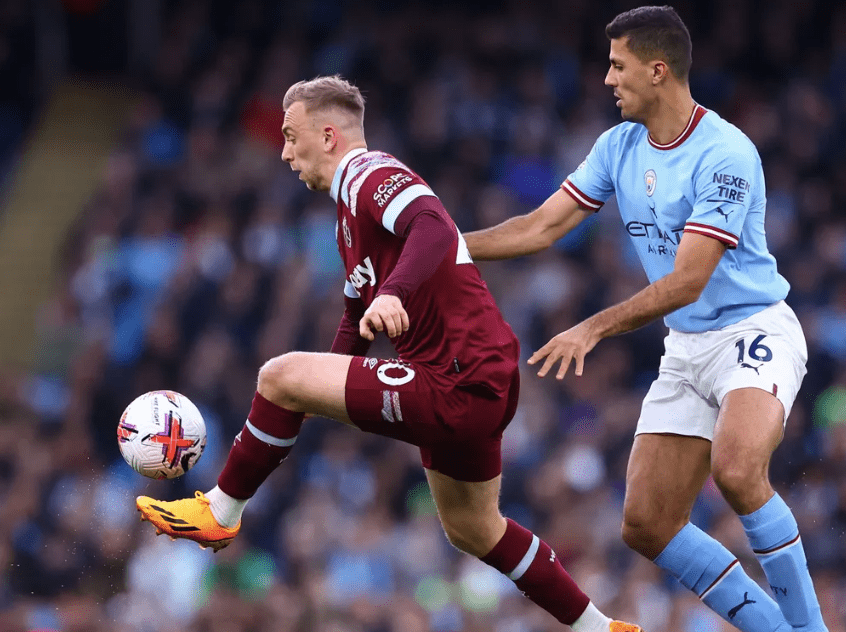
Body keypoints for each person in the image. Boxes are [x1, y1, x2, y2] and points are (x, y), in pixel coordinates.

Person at [137, 75, 642, 632]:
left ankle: (220, 511)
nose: (282, 151)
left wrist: (392, 296)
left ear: (328, 135)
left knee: (276, 374)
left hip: (455, 373)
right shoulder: (348, 220)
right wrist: (310, 400)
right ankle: (602, 628)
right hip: (474, 378)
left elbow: (432, 225)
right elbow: (354, 324)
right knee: (474, 529)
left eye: (289, 135)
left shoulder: (369, 172)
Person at [463, 7, 827, 632]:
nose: (607, 79)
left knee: (737, 470)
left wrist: (593, 326)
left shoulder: (726, 153)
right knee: (647, 524)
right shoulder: (619, 145)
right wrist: (444, 248)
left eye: (617, 65)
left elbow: (689, 280)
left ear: (657, 71)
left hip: (752, 330)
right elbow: (541, 226)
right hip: (687, 345)